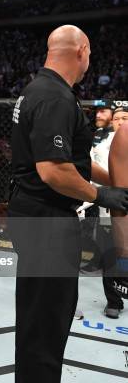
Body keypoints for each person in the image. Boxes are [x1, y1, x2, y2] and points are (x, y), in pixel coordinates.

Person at [9, 25, 128, 382]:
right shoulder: (55, 97)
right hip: (47, 223)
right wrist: (100, 195)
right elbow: (53, 171)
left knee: (40, 319)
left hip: (36, 216)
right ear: (82, 50)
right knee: (47, 322)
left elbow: (69, 161)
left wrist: (114, 181)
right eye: (90, 54)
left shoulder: (41, 89)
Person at [80, 104, 115, 274]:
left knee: (107, 228)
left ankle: (104, 262)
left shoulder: (119, 136)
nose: (98, 115)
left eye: (103, 111)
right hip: (94, 186)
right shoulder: (98, 134)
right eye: (97, 112)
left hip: (112, 188)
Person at [107, 105, 128, 316]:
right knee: (110, 255)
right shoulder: (98, 142)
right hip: (104, 203)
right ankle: (113, 301)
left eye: (125, 117)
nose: (121, 121)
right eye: (118, 118)